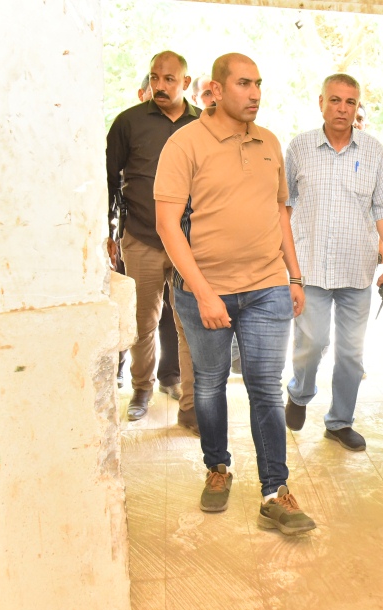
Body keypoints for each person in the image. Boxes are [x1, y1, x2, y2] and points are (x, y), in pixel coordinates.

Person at [154, 53, 316, 535]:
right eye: (244, 84)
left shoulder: (269, 142)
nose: (255, 93)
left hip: (267, 286)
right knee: (209, 383)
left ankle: (275, 492)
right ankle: (218, 467)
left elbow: (279, 211)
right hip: (205, 291)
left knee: (266, 387)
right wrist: (203, 293)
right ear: (217, 90)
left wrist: (294, 275)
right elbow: (167, 224)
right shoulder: (185, 143)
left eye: (259, 84)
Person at [282, 74, 383, 451]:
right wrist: (285, 265)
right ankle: (299, 393)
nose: (342, 108)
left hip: (356, 270)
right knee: (313, 342)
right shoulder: (299, 148)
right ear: (321, 102)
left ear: (357, 107)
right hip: (311, 268)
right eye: (334, 100)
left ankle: (339, 421)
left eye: (350, 102)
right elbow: (284, 207)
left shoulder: (374, 151)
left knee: (352, 354)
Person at [106, 52, 201, 431]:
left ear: (186, 83)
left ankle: (191, 404)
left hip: (189, 243)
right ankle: (141, 389)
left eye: (169, 79)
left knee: (189, 324)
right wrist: (109, 232)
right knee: (142, 323)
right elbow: (109, 180)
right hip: (142, 237)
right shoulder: (128, 122)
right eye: (155, 78)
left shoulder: (203, 125)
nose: (160, 86)